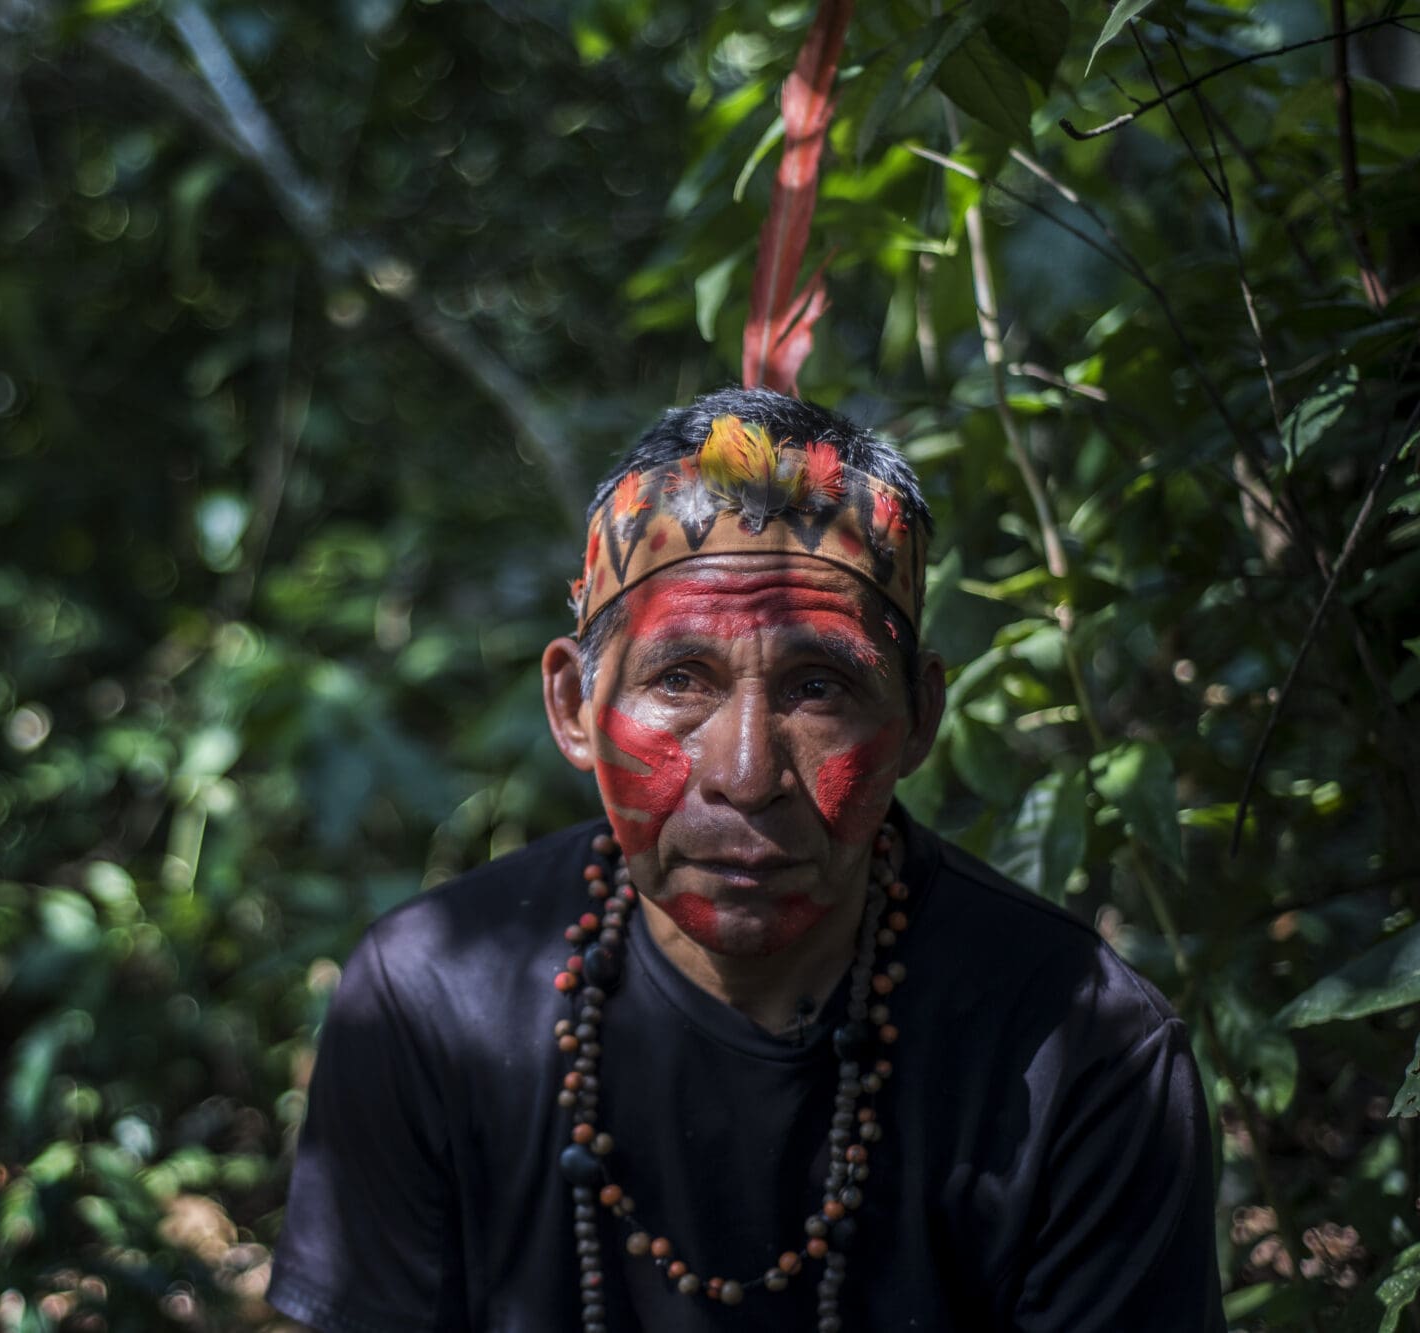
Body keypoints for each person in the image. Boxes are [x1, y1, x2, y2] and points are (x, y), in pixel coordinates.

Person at [265, 387, 1225, 1333]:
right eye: (680, 679)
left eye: (820, 686)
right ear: (572, 708)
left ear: (918, 718)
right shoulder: (427, 997)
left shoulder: (1087, 1053)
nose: (747, 771)